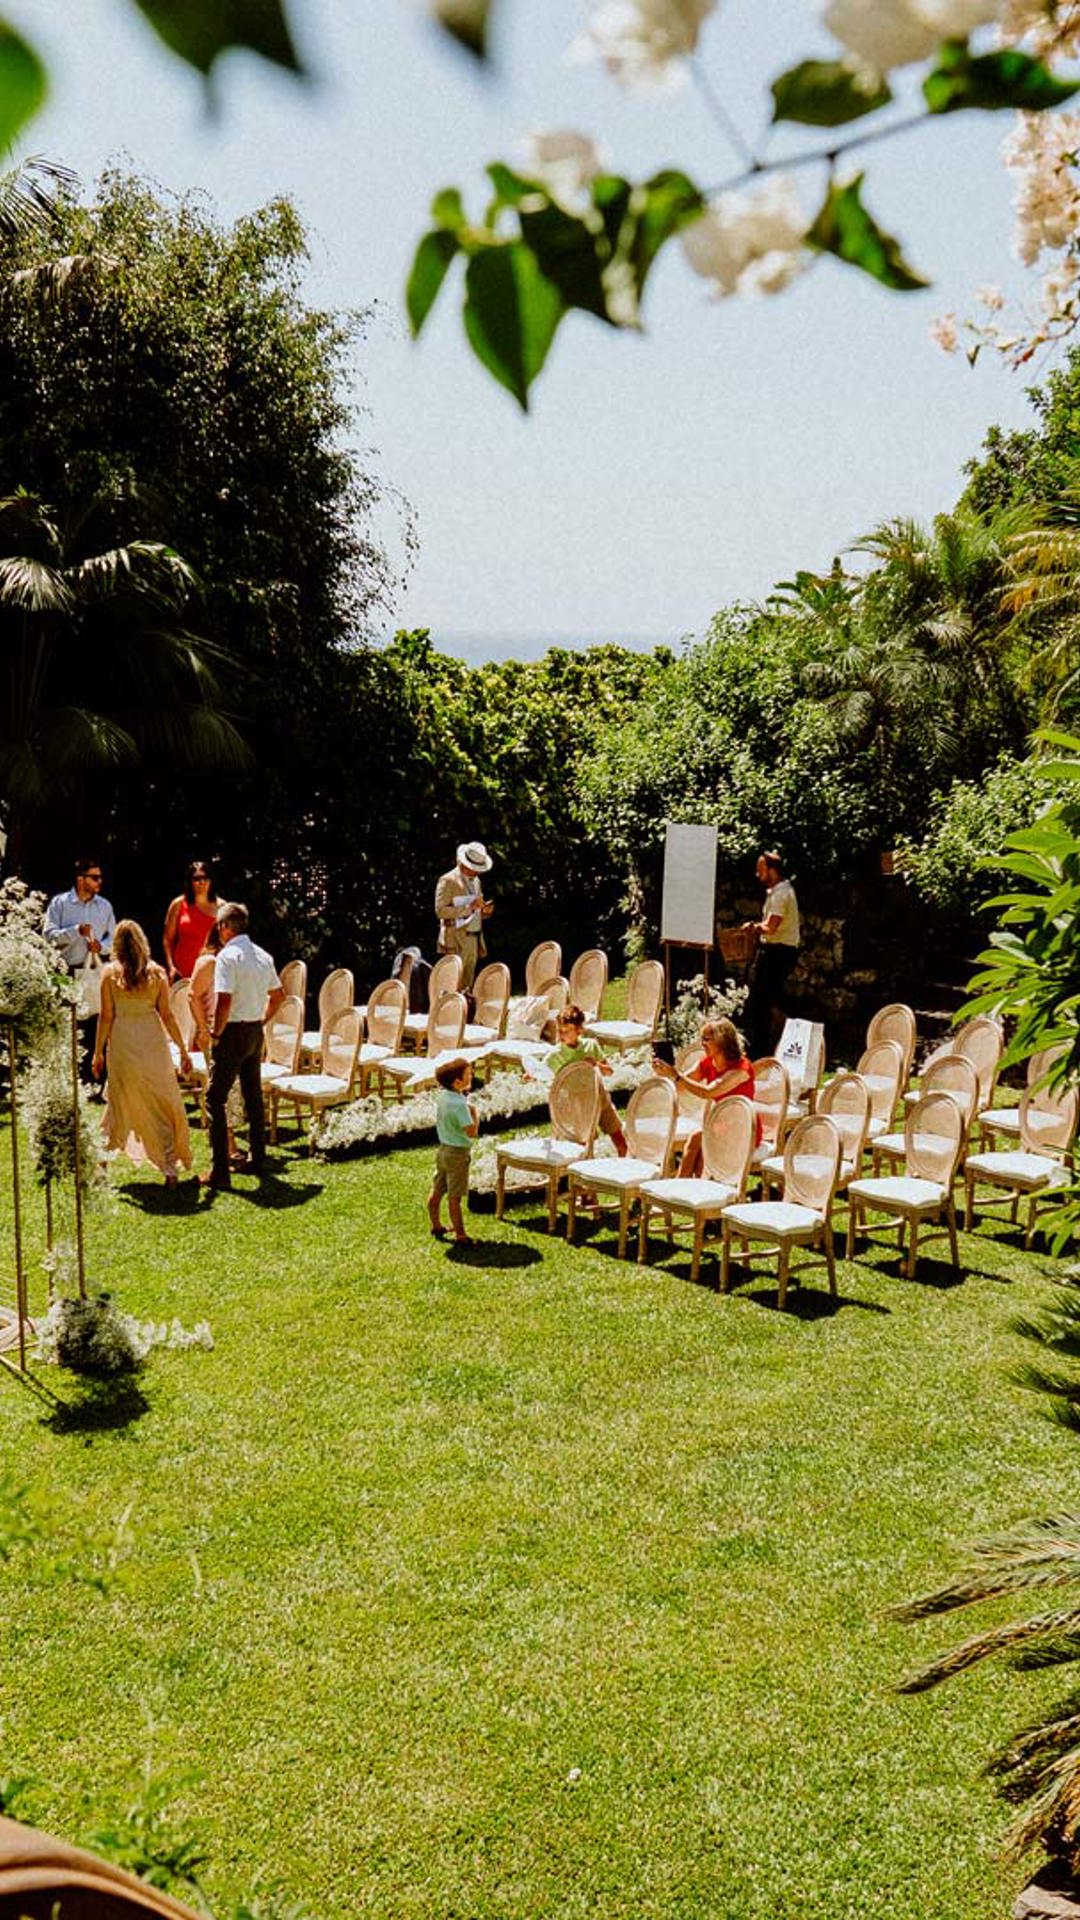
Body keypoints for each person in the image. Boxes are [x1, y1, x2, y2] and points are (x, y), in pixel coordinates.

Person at [92, 919, 193, 1186]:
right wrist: (182, 1049)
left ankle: (101, 1164)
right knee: (163, 1103)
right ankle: (170, 1169)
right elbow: (168, 1016)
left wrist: (97, 1052)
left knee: (118, 1103)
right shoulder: (157, 973)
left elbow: (106, 1017)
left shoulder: (109, 975)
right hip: (153, 1044)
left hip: (123, 1043)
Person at [201, 901, 283, 1191]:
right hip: (253, 1030)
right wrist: (262, 1020)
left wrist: (216, 1033)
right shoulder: (263, 955)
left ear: (224, 927)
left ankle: (219, 1170)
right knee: (253, 1095)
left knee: (214, 1098)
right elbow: (278, 995)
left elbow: (223, 1000)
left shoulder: (227, 957)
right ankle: (257, 1157)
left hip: (234, 1030)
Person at [652, 1017, 758, 1177]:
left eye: (707, 1039)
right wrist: (667, 1074)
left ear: (722, 1040)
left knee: (697, 1138)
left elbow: (709, 1092)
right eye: (702, 1039)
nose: (702, 1044)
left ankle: (680, 1187)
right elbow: (681, 1084)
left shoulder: (741, 1069)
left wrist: (677, 1076)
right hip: (719, 1124)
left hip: (742, 1126)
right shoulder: (708, 1062)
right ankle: (688, 1189)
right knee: (699, 1148)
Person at [44, 857, 117, 1084]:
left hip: (95, 971)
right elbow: (48, 936)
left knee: (99, 1022)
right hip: (67, 972)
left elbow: (113, 938)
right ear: (80, 879)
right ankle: (73, 1080)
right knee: (70, 1025)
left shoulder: (104, 906)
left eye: (100, 877)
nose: (99, 882)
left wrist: (101, 946)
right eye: (94, 877)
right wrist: (76, 931)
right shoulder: (60, 904)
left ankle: (97, 1077)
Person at [189, 922, 244, 1167]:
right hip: (215, 1031)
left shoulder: (225, 960)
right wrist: (203, 1029)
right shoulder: (209, 962)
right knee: (224, 1089)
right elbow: (192, 995)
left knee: (230, 1087)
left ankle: (226, 1142)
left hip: (229, 1030)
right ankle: (227, 1146)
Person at [546, 1005, 628, 1156]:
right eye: (560, 1030)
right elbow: (542, 1071)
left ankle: (626, 1166)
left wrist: (596, 1064)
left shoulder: (591, 1045)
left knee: (618, 1136)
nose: (561, 1034)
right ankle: (585, 1171)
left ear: (579, 1030)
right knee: (584, 1145)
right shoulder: (555, 1054)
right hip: (577, 1102)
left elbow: (609, 1071)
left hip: (599, 1096)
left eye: (566, 1030)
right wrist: (530, 1074)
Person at [743, 851, 800, 1058]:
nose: (758, 875)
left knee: (762, 1000)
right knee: (767, 999)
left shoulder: (781, 895)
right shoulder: (777, 892)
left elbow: (771, 927)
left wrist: (753, 927)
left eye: (761, 870)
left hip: (779, 951)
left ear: (772, 870)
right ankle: (771, 1044)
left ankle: (761, 1049)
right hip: (776, 950)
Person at [428, 1055, 477, 1245]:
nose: (471, 1076)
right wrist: (474, 1113)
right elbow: (471, 1132)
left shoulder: (443, 1097)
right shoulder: (460, 1105)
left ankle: (436, 1225)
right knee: (455, 1197)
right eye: (468, 1075)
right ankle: (461, 1235)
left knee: (437, 1190)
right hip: (458, 1154)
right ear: (457, 1082)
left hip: (443, 1150)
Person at [434, 840, 494, 992]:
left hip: (473, 936)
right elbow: (440, 910)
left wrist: (484, 911)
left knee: (467, 983)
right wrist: (467, 908)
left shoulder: (476, 882)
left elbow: (477, 906)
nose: (478, 872)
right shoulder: (448, 880)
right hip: (455, 938)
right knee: (452, 982)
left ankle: (465, 1012)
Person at [163, 860, 218, 982]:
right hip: (181, 974)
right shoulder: (178, 904)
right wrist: (171, 967)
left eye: (206, 877)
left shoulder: (222, 907)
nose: (202, 882)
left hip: (210, 974)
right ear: (190, 881)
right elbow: (168, 939)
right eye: (197, 878)